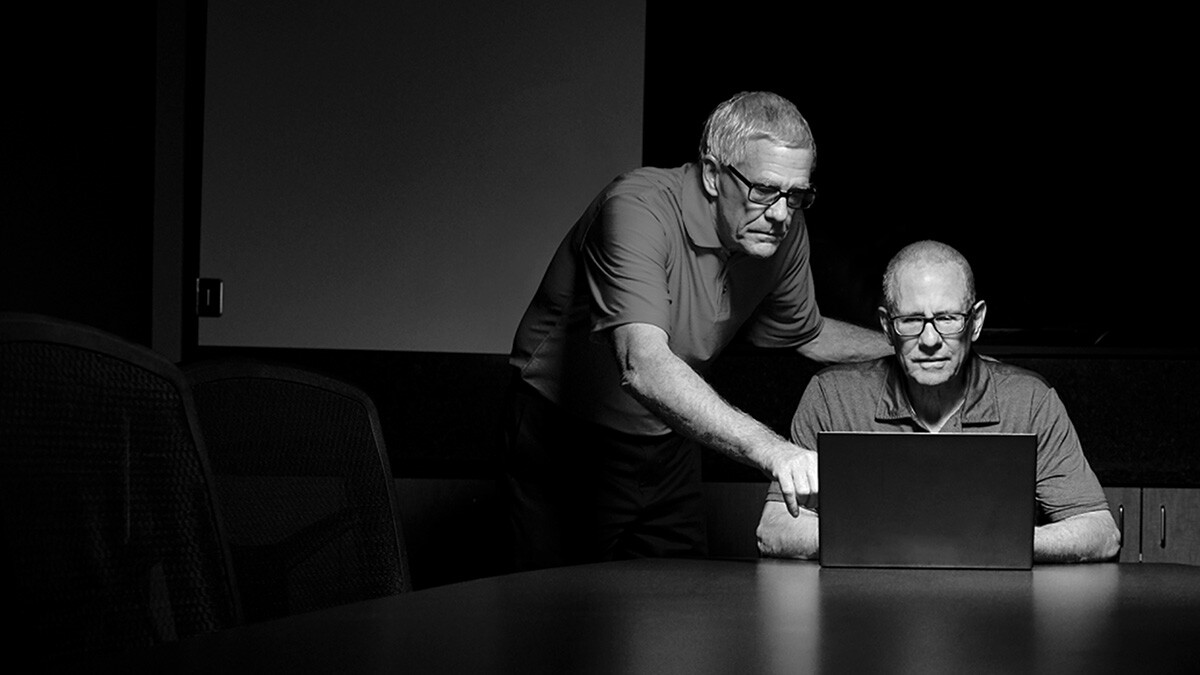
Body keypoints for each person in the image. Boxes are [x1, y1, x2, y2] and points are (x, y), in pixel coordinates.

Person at [503, 91, 892, 571]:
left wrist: (914, 346)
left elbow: (804, 334)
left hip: (670, 440)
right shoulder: (637, 207)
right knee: (556, 619)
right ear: (712, 173)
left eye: (796, 195)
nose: (781, 214)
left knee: (682, 608)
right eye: (764, 190)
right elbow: (642, 364)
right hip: (569, 437)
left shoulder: (783, 229)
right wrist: (776, 452)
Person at [756, 240, 1121, 563]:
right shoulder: (832, 397)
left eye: (947, 318)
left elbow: (1101, 533)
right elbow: (773, 530)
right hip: (862, 614)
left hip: (995, 616)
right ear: (886, 326)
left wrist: (992, 544)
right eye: (912, 319)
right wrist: (902, 542)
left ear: (975, 322)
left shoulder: (1030, 401)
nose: (930, 340)